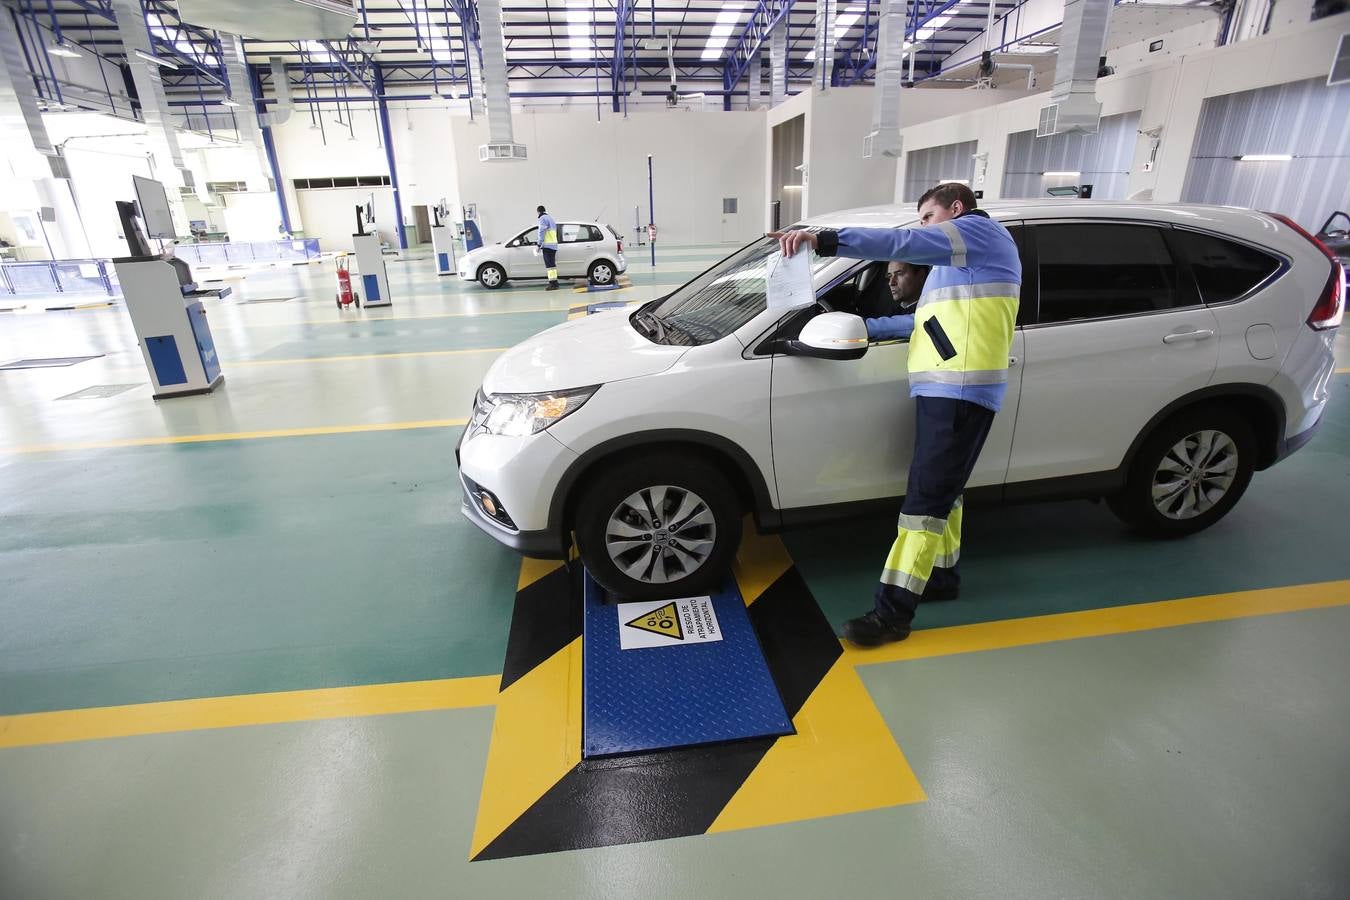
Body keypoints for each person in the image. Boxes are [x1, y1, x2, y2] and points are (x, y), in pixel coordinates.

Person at [773, 182, 1021, 647]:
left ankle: (891, 614)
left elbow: (902, 243)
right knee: (945, 492)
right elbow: (922, 320)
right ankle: (942, 578)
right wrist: (862, 325)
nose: (923, 227)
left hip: (960, 392)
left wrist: (823, 239)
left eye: (928, 217)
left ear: (957, 208)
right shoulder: (960, 266)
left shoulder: (976, 234)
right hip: (950, 392)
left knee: (923, 507)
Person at [537, 205, 560, 290]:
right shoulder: (551, 218)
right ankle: (555, 282)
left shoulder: (542, 218)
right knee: (552, 266)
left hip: (547, 245)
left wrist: (539, 243)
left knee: (549, 266)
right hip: (553, 245)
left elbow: (541, 231)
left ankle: (552, 284)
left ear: (538, 212)